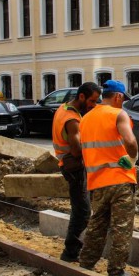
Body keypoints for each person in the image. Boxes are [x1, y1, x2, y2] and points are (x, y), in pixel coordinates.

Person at [78, 80, 138, 276]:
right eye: (123, 99)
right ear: (118, 96)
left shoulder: (85, 119)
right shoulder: (118, 114)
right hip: (120, 180)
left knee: (97, 225)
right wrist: (132, 159)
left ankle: (85, 264)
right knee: (121, 227)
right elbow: (130, 141)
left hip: (96, 182)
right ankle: (116, 270)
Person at [52, 82, 101, 262]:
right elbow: (76, 150)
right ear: (81, 97)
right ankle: (71, 252)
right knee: (82, 212)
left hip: (68, 165)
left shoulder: (63, 108)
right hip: (75, 168)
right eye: (92, 100)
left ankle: (72, 250)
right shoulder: (72, 120)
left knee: (79, 209)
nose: (93, 105)